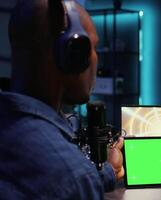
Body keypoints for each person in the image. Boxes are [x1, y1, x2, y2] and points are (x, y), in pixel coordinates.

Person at [0, 0, 124, 199]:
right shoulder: (70, 175)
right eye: (93, 47)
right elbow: (68, 181)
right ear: (73, 52)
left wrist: (108, 169)